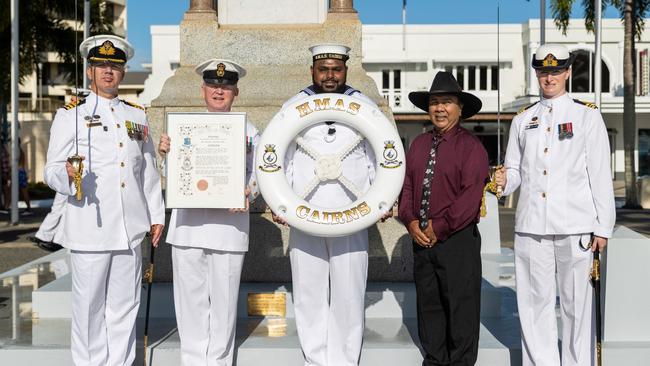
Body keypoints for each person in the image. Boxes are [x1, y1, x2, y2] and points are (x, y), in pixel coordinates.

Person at [43, 35, 165, 366]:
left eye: (114, 66)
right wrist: (67, 174)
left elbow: (147, 171)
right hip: (90, 227)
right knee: (89, 309)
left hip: (130, 228)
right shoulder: (71, 115)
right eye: (101, 66)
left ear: (123, 72)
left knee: (125, 307)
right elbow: (50, 170)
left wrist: (156, 215)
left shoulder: (137, 115)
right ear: (89, 72)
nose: (108, 72)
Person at [495, 43, 616, 366]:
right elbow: (517, 170)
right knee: (534, 305)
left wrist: (603, 226)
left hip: (576, 226)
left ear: (567, 72)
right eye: (543, 71)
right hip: (531, 226)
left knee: (578, 307)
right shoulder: (523, 120)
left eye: (555, 71)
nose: (549, 78)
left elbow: (600, 174)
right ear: (536, 73)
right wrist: (505, 181)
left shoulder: (586, 116)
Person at [272, 44, 391, 366]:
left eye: (336, 69)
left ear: (345, 71)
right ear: (312, 70)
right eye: (323, 69)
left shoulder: (364, 107)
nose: (329, 75)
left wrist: (383, 198)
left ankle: (344, 360)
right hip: (305, 216)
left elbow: (377, 159)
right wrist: (278, 200)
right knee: (308, 292)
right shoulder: (293, 107)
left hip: (352, 216)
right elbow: (280, 160)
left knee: (349, 293)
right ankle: (315, 359)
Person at [157, 59, 259, 366]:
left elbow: (260, 174)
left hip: (229, 227)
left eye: (226, 87)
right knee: (190, 302)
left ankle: (219, 361)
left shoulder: (251, 131)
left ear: (236, 92)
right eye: (214, 86)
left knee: (224, 304)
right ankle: (193, 361)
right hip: (188, 226)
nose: (219, 91)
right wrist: (166, 156)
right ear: (202, 89)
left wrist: (248, 192)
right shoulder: (184, 128)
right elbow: (171, 177)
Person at [398, 71, 489, 366]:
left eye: (447, 102)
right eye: (435, 102)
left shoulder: (471, 148)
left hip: (456, 241)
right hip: (422, 241)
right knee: (430, 308)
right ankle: (434, 361)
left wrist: (439, 227)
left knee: (461, 309)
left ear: (459, 108)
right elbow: (408, 187)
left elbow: (469, 197)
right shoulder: (419, 145)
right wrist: (410, 221)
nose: (439, 108)